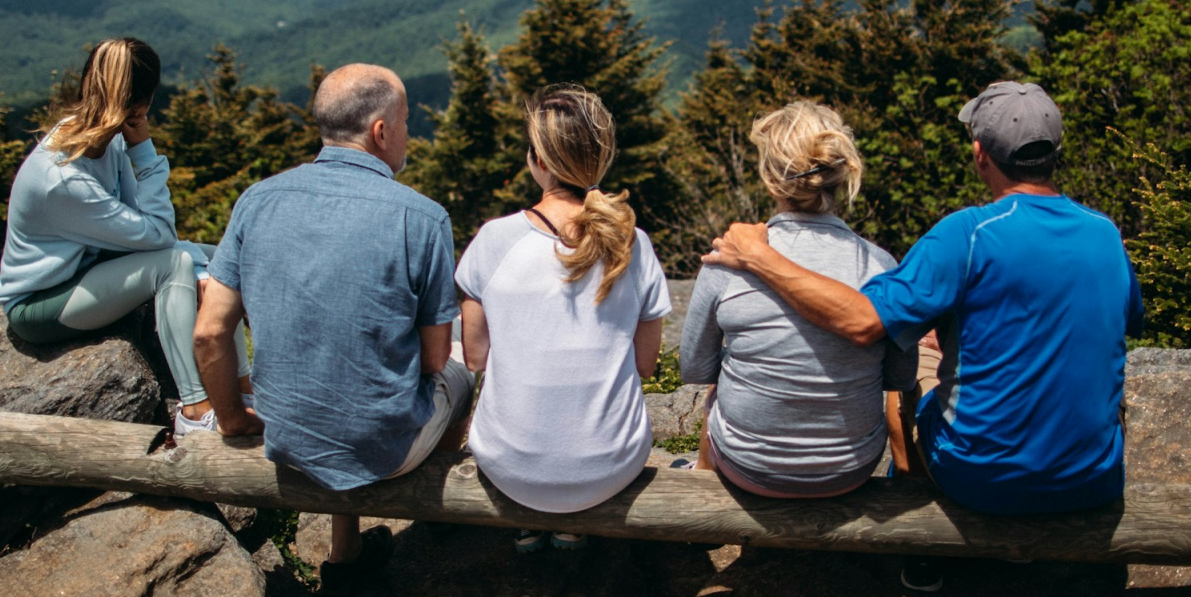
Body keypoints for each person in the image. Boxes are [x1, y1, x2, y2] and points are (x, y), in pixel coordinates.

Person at [701, 82, 1142, 593]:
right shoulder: (1105, 233)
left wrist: (760, 257)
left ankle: (922, 551)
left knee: (911, 373)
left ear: (980, 155)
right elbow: (1121, 321)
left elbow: (865, 321)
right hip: (1091, 478)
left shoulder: (966, 233)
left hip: (980, 478)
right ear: (1055, 152)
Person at [191, 63, 473, 593]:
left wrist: (231, 418)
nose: (408, 133)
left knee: (334, 361)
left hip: (287, 434)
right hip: (386, 451)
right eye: (407, 121)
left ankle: (346, 552)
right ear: (381, 131)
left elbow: (209, 332)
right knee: (462, 378)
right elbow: (435, 361)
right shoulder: (423, 217)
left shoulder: (257, 200)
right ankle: (436, 513)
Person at [0, 37, 252, 438]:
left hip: (87, 271)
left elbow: (146, 228)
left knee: (220, 259)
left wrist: (206, 268)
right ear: (140, 106)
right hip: (40, 304)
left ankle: (242, 390)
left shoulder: (101, 141)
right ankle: (195, 411)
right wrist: (144, 150)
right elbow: (160, 237)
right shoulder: (63, 178)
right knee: (175, 265)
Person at [455, 85, 669, 553]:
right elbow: (646, 364)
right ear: (600, 161)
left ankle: (529, 521)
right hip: (610, 466)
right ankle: (575, 524)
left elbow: (475, 357)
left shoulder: (494, 240)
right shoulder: (634, 243)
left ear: (539, 161)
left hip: (511, 466)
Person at [678, 101, 912, 499]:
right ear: (839, 176)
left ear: (770, 181)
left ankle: (702, 475)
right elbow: (898, 377)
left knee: (717, 390)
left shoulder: (727, 260)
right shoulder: (881, 265)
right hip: (851, 468)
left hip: (748, 468)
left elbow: (695, 367)